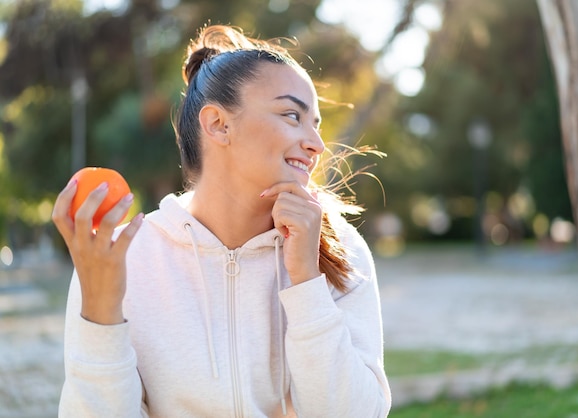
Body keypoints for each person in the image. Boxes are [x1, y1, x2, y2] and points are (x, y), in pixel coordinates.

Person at [52, 23, 391, 417]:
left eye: (314, 123)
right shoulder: (124, 257)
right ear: (218, 124)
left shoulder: (339, 250)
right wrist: (101, 313)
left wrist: (305, 282)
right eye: (291, 115)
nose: (316, 144)